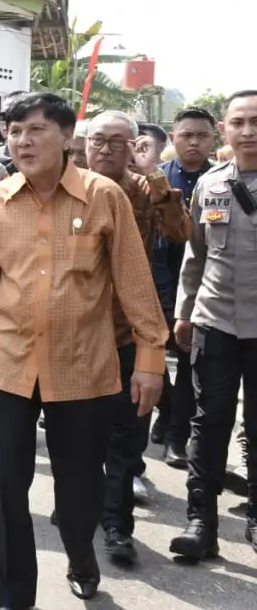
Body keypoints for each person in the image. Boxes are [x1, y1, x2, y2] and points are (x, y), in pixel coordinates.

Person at [0, 92, 165, 609]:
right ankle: (11, 597)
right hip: (5, 366)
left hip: (82, 367)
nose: (22, 141)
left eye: (35, 130)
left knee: (78, 489)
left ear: (67, 136)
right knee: (4, 490)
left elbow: (135, 284)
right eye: (14, 131)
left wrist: (149, 363)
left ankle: (80, 552)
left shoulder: (103, 197)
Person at [83, 111, 188, 565]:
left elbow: (182, 231)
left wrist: (153, 175)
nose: (105, 149)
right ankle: (82, 511)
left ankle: (117, 526)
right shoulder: (65, 187)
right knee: (79, 437)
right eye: (97, 140)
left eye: (117, 142)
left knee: (127, 438)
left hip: (129, 328)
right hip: (76, 330)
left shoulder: (147, 189)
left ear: (134, 146)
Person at [170, 89, 257, 561]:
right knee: (209, 421)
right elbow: (195, 255)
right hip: (215, 320)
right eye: (238, 122)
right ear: (225, 129)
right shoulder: (211, 184)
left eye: (256, 121)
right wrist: (184, 311)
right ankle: (200, 520)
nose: (247, 131)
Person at [150, 106, 216, 464]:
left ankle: (176, 437)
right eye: (186, 135)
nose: (193, 142)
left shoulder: (221, 181)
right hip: (156, 283)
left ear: (213, 139)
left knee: (191, 364)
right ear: (172, 137)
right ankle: (167, 406)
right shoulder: (155, 179)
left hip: (198, 290)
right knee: (152, 358)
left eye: (202, 136)